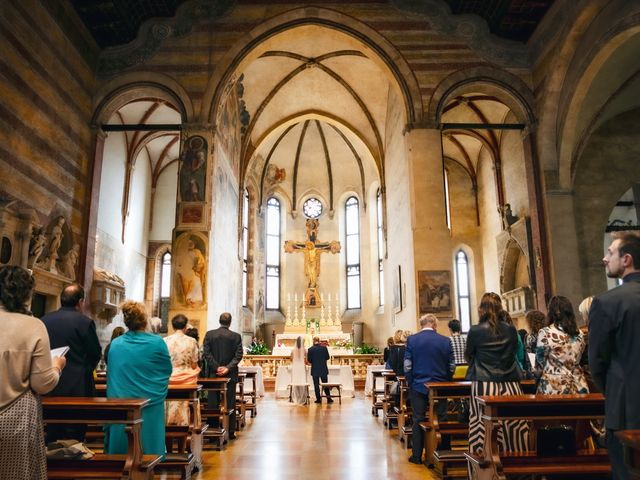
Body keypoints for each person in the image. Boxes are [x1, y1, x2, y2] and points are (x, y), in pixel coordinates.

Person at [0, 266, 66, 480]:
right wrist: (57, 365)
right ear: (26, 294)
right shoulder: (33, 326)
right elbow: (43, 383)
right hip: (14, 417)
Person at [589, 231, 640, 480]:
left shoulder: (607, 303)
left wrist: (613, 391)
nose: (605, 258)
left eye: (610, 252)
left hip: (624, 410)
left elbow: (597, 362)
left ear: (627, 259)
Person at [105, 300, 172, 456]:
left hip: (121, 403)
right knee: (148, 449)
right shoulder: (157, 343)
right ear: (145, 320)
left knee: (121, 450)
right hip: (149, 401)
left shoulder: (116, 344)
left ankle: (118, 461)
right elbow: (166, 370)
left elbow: (112, 371)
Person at [466, 292, 528, 454]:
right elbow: (514, 352)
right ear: (500, 308)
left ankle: (483, 466)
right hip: (510, 384)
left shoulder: (475, 331)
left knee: (481, 425)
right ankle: (518, 466)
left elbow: (469, 355)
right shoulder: (510, 330)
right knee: (514, 427)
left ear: (481, 309)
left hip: (484, 385)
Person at [42, 283, 101, 443]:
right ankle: (74, 463)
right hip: (78, 388)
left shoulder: (44, 321)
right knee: (75, 435)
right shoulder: (85, 322)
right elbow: (95, 353)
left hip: (50, 386)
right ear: (80, 302)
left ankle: (51, 466)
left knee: (52, 430)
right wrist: (84, 369)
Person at [404, 314, 454, 465]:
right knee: (442, 419)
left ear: (422, 324)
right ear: (433, 324)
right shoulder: (445, 341)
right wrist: (447, 381)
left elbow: (407, 365)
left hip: (419, 386)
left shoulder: (412, 340)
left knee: (418, 419)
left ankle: (417, 456)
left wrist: (411, 382)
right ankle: (444, 453)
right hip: (440, 386)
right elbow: (452, 366)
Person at [536, 295, 588, 394]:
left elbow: (539, 364)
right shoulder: (580, 333)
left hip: (554, 386)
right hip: (578, 385)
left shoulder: (545, 333)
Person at [203, 312, 243, 439]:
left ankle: (213, 430)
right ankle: (230, 430)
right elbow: (238, 355)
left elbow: (206, 354)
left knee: (212, 402)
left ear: (219, 321)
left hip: (213, 374)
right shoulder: (236, 336)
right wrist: (227, 368)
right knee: (230, 401)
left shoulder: (210, 334)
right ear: (230, 322)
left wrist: (216, 367)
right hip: (230, 374)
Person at [164, 314, 201, 425]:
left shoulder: (165, 340)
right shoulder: (191, 341)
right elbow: (194, 364)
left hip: (170, 379)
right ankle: (188, 424)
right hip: (187, 380)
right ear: (185, 326)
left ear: (173, 326)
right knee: (186, 402)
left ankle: (169, 423)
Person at [306, 336, 332, 404]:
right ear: (319, 341)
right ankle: (329, 399)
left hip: (315, 369)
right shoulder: (324, 348)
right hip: (323, 368)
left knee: (316, 385)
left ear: (313, 341)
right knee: (325, 384)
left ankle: (318, 399)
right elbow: (327, 357)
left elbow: (309, 360)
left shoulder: (310, 349)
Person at [290, 336, 308, 405]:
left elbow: (291, 359)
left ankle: (296, 397)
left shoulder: (293, 350)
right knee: (302, 381)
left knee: (296, 380)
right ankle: (302, 397)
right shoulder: (305, 350)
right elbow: (306, 360)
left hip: (295, 367)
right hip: (301, 367)